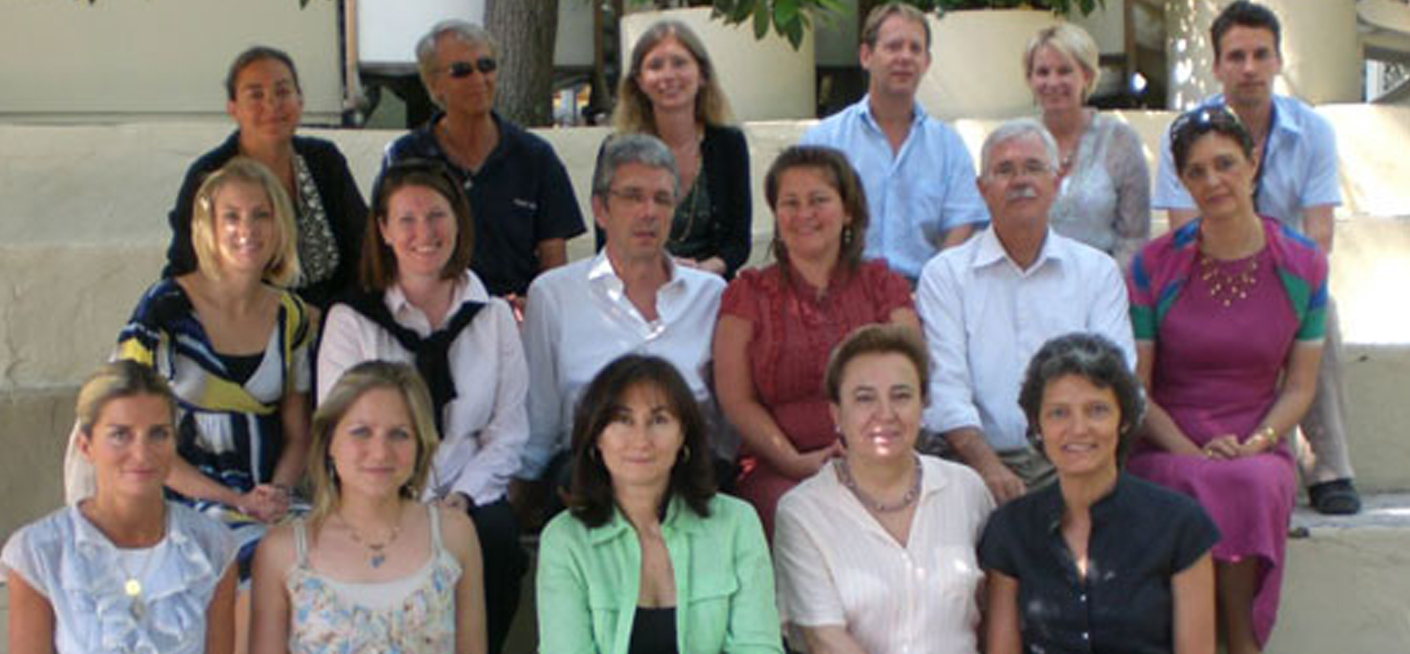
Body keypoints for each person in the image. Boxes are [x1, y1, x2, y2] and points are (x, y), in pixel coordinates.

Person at [1128, 106, 1328, 654]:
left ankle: (1238, 640)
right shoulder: (1153, 265)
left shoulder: (1304, 264)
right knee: (1193, 482)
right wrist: (1192, 450)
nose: (1213, 181)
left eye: (1225, 164)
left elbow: (1299, 387)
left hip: (1255, 438)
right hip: (1168, 439)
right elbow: (1138, 391)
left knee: (1251, 481)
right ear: (1183, 182)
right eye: (1196, 171)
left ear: (1253, 162)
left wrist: (1256, 443)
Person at [1152, 1, 1358, 514]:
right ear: (1217, 64)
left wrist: (1286, 290)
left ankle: (1329, 464)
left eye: (1260, 55)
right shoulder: (1184, 134)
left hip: (1287, 275)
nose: (1249, 68)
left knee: (1322, 312)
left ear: (1278, 61)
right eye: (1236, 56)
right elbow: (1183, 233)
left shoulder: (1313, 131)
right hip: (1205, 276)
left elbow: (1319, 233)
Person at [316, 159, 528, 654]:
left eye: (436, 216)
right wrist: (411, 497)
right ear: (384, 230)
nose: (424, 233)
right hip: (378, 488)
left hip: (469, 489)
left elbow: (510, 430)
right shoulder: (352, 320)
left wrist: (461, 498)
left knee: (494, 541)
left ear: (458, 221)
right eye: (406, 220)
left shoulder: (494, 317)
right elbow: (338, 426)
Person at [918, 119, 1134, 504]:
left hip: (1077, 457)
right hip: (973, 464)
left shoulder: (1097, 271)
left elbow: (1117, 379)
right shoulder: (945, 275)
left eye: (1033, 167)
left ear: (1057, 182)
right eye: (1004, 170)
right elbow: (946, 389)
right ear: (982, 190)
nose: (1020, 180)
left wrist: (1078, 464)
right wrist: (988, 468)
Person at [517, 134, 727, 516]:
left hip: (687, 472)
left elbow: (724, 424)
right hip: (587, 474)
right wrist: (523, 496)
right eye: (632, 196)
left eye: (662, 199)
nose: (649, 211)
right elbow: (541, 419)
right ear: (600, 209)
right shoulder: (554, 295)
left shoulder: (710, 296)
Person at [714, 145, 918, 536]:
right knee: (794, 515)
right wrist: (795, 462)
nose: (803, 214)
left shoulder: (883, 286)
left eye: (819, 200)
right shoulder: (747, 295)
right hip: (780, 469)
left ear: (848, 211)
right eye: (790, 202)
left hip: (882, 455)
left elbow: (910, 379)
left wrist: (868, 456)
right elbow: (736, 399)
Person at [980, 333, 1218, 654]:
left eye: (1097, 410)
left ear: (1123, 420)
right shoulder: (1010, 529)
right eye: (1058, 413)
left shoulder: (1180, 525)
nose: (1078, 428)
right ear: (1037, 426)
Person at [536, 354, 783, 654]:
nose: (641, 439)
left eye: (658, 420)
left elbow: (759, 648)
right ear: (596, 437)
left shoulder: (736, 523)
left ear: (684, 436)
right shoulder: (565, 540)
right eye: (623, 420)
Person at [773, 324, 993, 654]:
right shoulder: (803, 511)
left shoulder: (966, 489)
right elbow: (826, 641)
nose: (885, 414)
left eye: (901, 396)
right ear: (836, 413)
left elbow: (995, 613)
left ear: (923, 405)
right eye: (864, 398)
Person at [250, 361, 487, 654]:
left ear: (420, 445)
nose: (380, 452)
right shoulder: (282, 550)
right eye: (361, 432)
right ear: (329, 441)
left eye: (399, 434)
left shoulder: (454, 535)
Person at [5, 361, 238, 654]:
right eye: (120, 434)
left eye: (158, 434)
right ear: (86, 446)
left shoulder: (211, 547)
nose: (141, 454)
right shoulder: (40, 552)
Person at [384, 19, 586, 303]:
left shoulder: (535, 156)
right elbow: (391, 254)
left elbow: (553, 262)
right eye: (462, 71)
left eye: (486, 66)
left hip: (517, 319)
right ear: (434, 84)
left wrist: (535, 310)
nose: (479, 79)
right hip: (433, 316)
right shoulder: (406, 158)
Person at [164, 46, 366, 309]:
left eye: (283, 92)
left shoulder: (324, 161)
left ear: (300, 100)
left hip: (333, 326)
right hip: (245, 327)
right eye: (256, 95)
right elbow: (187, 268)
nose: (272, 105)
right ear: (233, 108)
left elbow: (363, 249)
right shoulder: (211, 175)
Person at [800, 2, 988, 283]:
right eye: (893, 46)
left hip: (925, 294)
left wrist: (931, 289)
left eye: (915, 49)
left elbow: (962, 226)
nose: (905, 57)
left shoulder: (948, 146)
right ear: (866, 56)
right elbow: (805, 222)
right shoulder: (825, 141)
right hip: (840, 291)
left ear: (927, 62)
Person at [604, 19, 752, 278]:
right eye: (655, 66)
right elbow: (607, 240)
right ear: (639, 80)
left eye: (679, 63)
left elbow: (738, 243)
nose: (668, 75)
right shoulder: (617, 150)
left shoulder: (729, 145)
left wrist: (702, 272)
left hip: (708, 290)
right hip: (634, 291)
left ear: (702, 74)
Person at [1024, 23, 1150, 268]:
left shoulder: (1120, 142)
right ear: (1029, 79)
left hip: (1102, 291)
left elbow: (1134, 239)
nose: (1053, 82)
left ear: (1087, 76)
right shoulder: (1017, 143)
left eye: (1064, 71)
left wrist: (1106, 293)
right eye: (1042, 72)